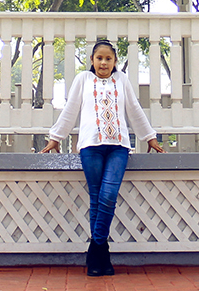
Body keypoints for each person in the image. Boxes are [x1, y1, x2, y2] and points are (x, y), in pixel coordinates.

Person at [42, 39, 164, 277]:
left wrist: (149, 137)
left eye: (108, 59)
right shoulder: (83, 80)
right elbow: (70, 110)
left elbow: (134, 109)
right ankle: (101, 258)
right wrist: (55, 138)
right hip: (91, 146)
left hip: (118, 146)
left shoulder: (122, 80)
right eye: (99, 58)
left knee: (108, 196)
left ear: (115, 61)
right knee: (96, 199)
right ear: (92, 60)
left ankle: (96, 248)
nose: (104, 63)